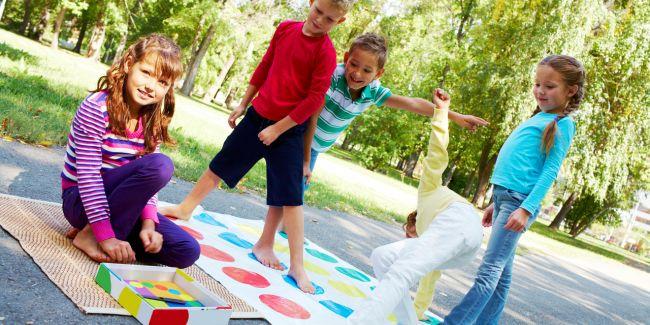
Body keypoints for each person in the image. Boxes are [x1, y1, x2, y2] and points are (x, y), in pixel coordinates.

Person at [159, 0, 354, 293]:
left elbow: (314, 100)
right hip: (257, 116)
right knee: (220, 165)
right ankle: (186, 208)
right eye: (318, 11)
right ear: (311, 3)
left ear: (338, 23)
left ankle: (296, 265)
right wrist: (243, 103)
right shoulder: (286, 29)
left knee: (291, 197)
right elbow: (265, 66)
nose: (319, 20)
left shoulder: (325, 53)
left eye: (328, 19)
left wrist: (279, 128)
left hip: (289, 130)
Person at [444, 54, 585, 324]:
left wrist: (525, 209)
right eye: (537, 84)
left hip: (518, 203)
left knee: (490, 271)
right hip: (505, 199)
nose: (540, 91)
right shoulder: (539, 117)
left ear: (571, 90)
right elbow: (520, 169)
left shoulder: (563, 124)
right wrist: (496, 202)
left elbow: (549, 172)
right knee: (501, 276)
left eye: (550, 86)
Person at [347, 89, 485, 324]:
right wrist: (417, 315)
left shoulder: (429, 191)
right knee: (383, 256)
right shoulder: (432, 240)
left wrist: (441, 113)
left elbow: (437, 154)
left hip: (460, 219)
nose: (408, 236)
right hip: (466, 243)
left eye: (409, 232)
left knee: (402, 271)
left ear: (415, 221)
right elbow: (428, 284)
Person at [62, 34, 200, 268]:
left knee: (187, 251)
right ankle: (92, 234)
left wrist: (149, 226)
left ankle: (106, 232)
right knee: (161, 165)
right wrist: (105, 236)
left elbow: (147, 185)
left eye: (162, 82)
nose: (150, 86)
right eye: (146, 72)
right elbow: (88, 178)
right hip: (81, 201)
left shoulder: (151, 121)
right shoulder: (96, 108)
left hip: (124, 204)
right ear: (128, 65)